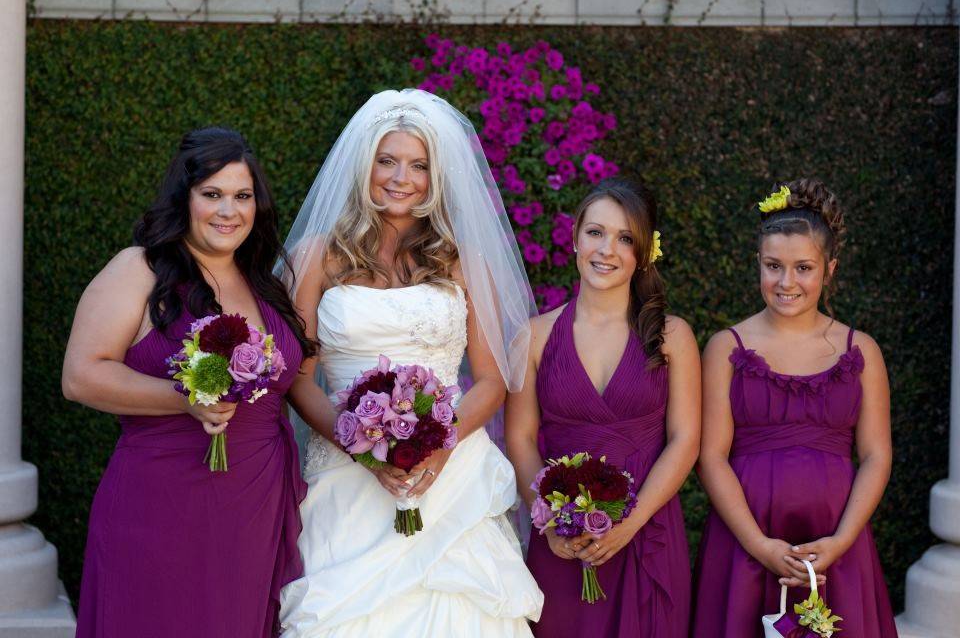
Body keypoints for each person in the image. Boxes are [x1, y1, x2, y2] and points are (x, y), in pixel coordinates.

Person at [277, 89, 544, 637]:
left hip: (449, 477)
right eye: (387, 160)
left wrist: (439, 447)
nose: (401, 177)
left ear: (435, 175)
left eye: (418, 164)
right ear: (365, 165)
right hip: (346, 478)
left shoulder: (461, 261)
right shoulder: (315, 257)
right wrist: (361, 448)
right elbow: (299, 381)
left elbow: (492, 381)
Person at [63, 127, 313, 638]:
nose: (229, 211)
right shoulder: (139, 270)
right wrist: (185, 397)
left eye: (242, 196)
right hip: (162, 502)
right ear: (185, 198)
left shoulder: (265, 283)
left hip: (255, 505)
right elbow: (82, 376)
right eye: (213, 195)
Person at [691, 179, 897, 637]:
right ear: (758, 266)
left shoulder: (860, 349)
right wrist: (759, 545)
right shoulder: (726, 347)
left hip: (835, 544)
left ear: (829, 269)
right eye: (773, 266)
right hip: (746, 541)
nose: (787, 282)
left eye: (803, 267)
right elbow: (710, 457)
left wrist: (841, 541)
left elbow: (877, 455)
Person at [506, 179, 700, 637]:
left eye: (625, 238)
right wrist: (550, 523)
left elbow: (686, 439)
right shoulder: (532, 337)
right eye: (596, 232)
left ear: (644, 253)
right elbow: (518, 437)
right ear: (574, 236)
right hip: (561, 539)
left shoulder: (673, 337)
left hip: (646, 533)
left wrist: (628, 525)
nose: (606, 249)